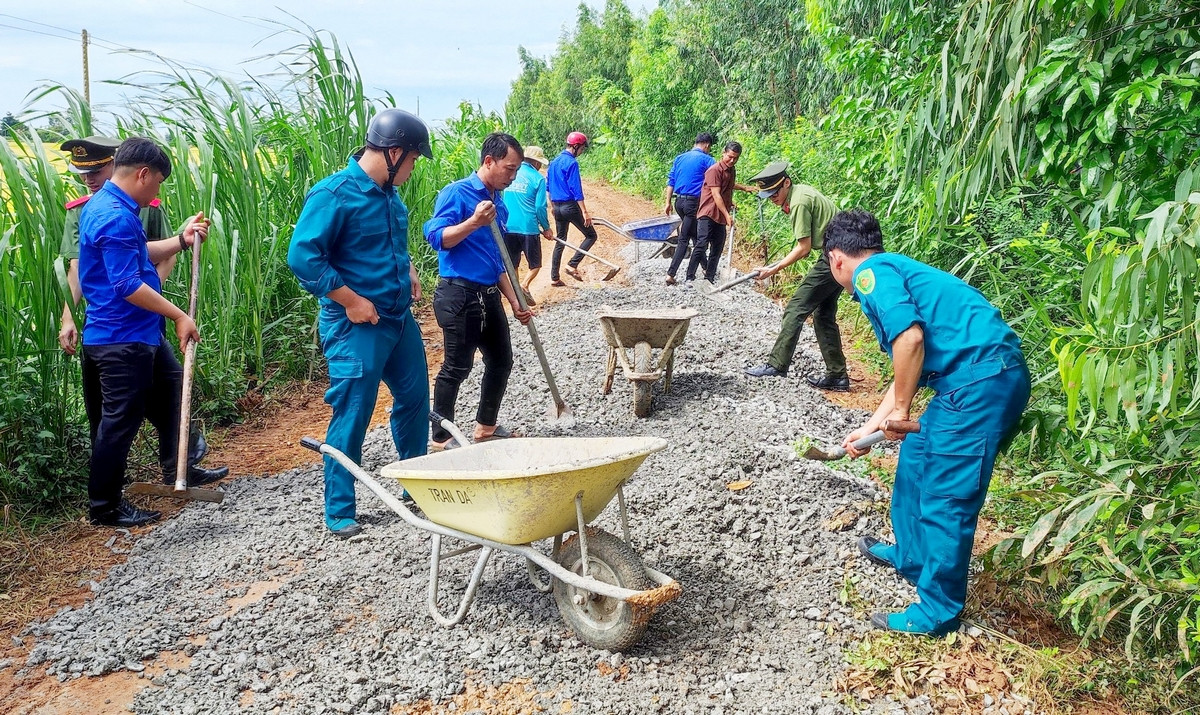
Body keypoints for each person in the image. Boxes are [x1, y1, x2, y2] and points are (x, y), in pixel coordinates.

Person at [824, 209, 1030, 636]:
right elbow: (909, 365)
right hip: (967, 380)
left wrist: (899, 412)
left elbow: (911, 339)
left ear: (836, 259)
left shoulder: (870, 276)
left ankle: (938, 611)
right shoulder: (890, 268)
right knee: (917, 457)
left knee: (945, 492)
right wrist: (872, 427)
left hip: (981, 381)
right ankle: (912, 555)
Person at [288, 108, 433, 538]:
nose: (412, 169)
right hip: (355, 325)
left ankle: (417, 482)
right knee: (354, 409)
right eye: (411, 160)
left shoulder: (390, 195)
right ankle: (340, 508)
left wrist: (407, 271)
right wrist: (350, 300)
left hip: (396, 318)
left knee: (414, 398)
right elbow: (303, 257)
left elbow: (387, 243)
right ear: (393, 152)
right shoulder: (334, 194)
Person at [58, 135, 225, 479]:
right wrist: (179, 314)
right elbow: (127, 284)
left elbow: (138, 254)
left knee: (174, 386)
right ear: (144, 174)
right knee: (119, 422)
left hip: (137, 329)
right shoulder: (115, 215)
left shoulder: (106, 206)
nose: (156, 192)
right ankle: (106, 506)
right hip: (122, 334)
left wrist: (181, 240)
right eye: (159, 182)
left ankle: (179, 466)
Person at [423, 132, 533, 450]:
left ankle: (486, 427)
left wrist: (515, 300)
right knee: (456, 366)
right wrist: (473, 221)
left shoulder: (500, 204)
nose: (512, 177)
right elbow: (438, 238)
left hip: (488, 295)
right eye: (509, 169)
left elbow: (496, 261)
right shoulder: (457, 193)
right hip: (458, 294)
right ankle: (441, 439)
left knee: (501, 360)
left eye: (516, 170)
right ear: (489, 161)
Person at [742, 161, 849, 391]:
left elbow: (804, 247)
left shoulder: (798, 202)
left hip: (834, 257)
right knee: (822, 314)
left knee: (795, 308)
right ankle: (837, 375)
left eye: (774, 193)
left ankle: (777, 365)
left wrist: (773, 268)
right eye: (768, 196)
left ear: (786, 183)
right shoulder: (801, 192)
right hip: (842, 255)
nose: (773, 199)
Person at [686, 141, 756, 283]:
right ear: (723, 153)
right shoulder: (714, 170)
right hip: (708, 212)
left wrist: (742, 190)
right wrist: (727, 214)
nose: (732, 160)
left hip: (720, 214)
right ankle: (690, 277)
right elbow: (716, 194)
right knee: (702, 244)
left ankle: (709, 278)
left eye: (735, 158)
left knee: (717, 248)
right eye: (729, 157)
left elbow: (728, 187)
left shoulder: (731, 170)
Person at [500, 145, 554, 305]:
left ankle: (516, 293)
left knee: (513, 263)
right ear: (537, 163)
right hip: (528, 228)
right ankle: (524, 285)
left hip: (508, 226)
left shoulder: (511, 175)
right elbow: (539, 207)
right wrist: (547, 228)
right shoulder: (537, 179)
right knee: (536, 264)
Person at [546, 131, 597, 286]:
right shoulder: (572, 163)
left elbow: (548, 187)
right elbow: (576, 189)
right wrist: (585, 211)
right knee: (591, 235)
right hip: (570, 206)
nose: (581, 152)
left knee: (560, 240)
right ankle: (572, 264)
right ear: (575, 146)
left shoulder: (554, 162)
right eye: (581, 149)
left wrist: (553, 207)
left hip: (557, 207)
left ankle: (554, 277)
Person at [663, 133, 715, 285]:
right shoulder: (707, 159)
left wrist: (667, 202)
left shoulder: (680, 158)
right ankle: (671, 274)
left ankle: (706, 268)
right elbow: (718, 179)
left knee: (695, 235)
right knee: (684, 239)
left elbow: (671, 180)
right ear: (706, 145)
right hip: (694, 204)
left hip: (679, 202)